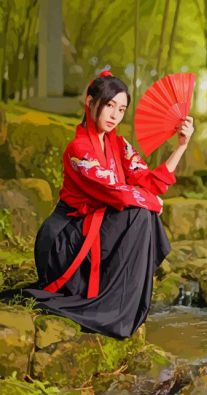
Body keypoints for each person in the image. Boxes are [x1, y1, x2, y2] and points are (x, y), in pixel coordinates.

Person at [0, 69, 194, 339]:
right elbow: (117, 193)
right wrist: (152, 202)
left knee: (144, 213)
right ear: (90, 102)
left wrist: (181, 146)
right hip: (65, 239)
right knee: (141, 212)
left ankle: (119, 302)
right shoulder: (78, 149)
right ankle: (111, 306)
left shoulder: (119, 144)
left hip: (94, 226)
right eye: (109, 105)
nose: (115, 115)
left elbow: (148, 182)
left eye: (122, 109)